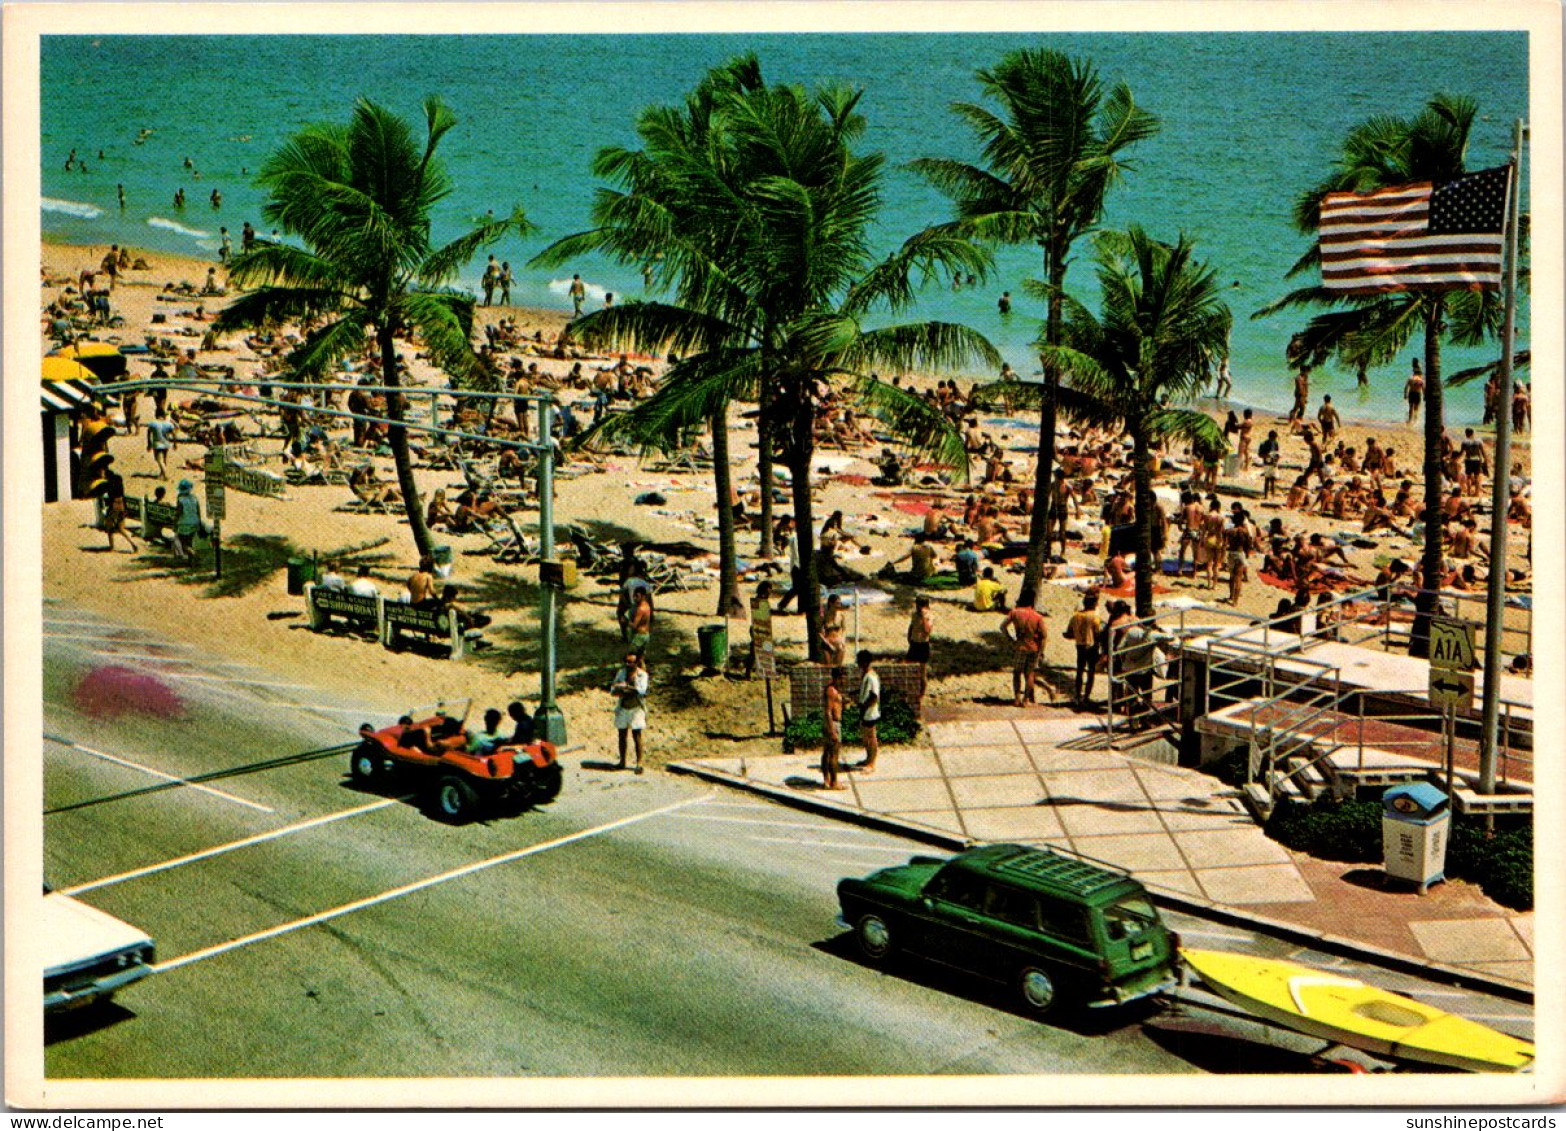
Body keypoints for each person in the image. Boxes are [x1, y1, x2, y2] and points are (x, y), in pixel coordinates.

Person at [1002, 589, 1048, 707]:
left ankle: (1017, 698)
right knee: (1029, 674)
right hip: (1033, 647)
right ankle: (1026, 700)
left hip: (1020, 646)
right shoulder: (1037, 617)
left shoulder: (1015, 612)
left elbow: (1002, 626)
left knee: (1017, 673)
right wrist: (1041, 651)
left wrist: (1010, 639)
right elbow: (1044, 636)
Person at [609, 653, 649, 773]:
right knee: (622, 735)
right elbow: (613, 688)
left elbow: (642, 690)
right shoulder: (621, 673)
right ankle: (622, 761)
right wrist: (621, 688)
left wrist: (626, 687)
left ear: (637, 663)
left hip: (636, 708)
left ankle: (639, 763)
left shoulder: (642, 675)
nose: (628, 664)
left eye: (631, 662)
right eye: (626, 662)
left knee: (637, 735)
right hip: (623, 707)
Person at [1064, 591, 1102, 707]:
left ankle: (1077, 696)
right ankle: (1086, 696)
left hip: (1079, 646)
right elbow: (1097, 633)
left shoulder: (1075, 617)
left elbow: (1069, 633)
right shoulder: (1095, 617)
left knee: (1080, 671)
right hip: (1091, 646)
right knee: (1091, 672)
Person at [99, 459, 138, 554]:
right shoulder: (119, 483)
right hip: (122, 504)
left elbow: (109, 497)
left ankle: (112, 546)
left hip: (114, 505)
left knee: (109, 526)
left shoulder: (108, 484)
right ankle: (133, 543)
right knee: (121, 528)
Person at [855, 650, 880, 772]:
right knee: (866, 737)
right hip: (864, 711)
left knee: (871, 737)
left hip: (870, 712)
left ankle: (872, 762)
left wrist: (865, 706)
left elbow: (874, 696)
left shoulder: (871, 677)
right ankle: (868, 758)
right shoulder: (866, 675)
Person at [821, 667, 846, 791]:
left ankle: (826, 780)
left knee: (827, 753)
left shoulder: (833, 690)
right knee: (834, 755)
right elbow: (828, 712)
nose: (843, 681)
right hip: (833, 724)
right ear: (836, 678)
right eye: (842, 678)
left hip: (831, 723)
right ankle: (834, 781)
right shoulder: (832, 691)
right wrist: (832, 730)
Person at [173, 479, 203, 564]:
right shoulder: (194, 498)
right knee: (189, 542)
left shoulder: (181, 500)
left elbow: (178, 513)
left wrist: (175, 523)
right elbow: (198, 511)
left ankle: (193, 555)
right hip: (194, 522)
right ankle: (191, 562)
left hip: (184, 524)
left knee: (182, 544)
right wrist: (199, 523)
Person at [144, 404, 176, 479]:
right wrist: (175, 443)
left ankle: (165, 474)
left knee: (158, 459)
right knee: (164, 459)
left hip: (157, 444)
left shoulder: (153, 423)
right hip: (166, 443)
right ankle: (161, 474)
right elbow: (174, 434)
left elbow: (148, 433)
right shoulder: (168, 424)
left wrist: (149, 443)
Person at [627, 586, 653, 657]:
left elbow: (634, 625)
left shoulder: (640, 609)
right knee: (641, 659)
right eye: (634, 596)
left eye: (637, 596)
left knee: (631, 657)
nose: (634, 598)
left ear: (643, 596)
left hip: (639, 636)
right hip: (646, 635)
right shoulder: (647, 606)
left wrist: (626, 621)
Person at [1405, 358, 1424, 424]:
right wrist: (1424, 396)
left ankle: (1410, 420)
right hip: (1417, 394)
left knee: (1411, 408)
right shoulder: (1421, 380)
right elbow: (1423, 388)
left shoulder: (1410, 378)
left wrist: (1405, 394)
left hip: (1411, 393)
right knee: (1416, 409)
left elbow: (1406, 387)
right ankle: (1415, 421)